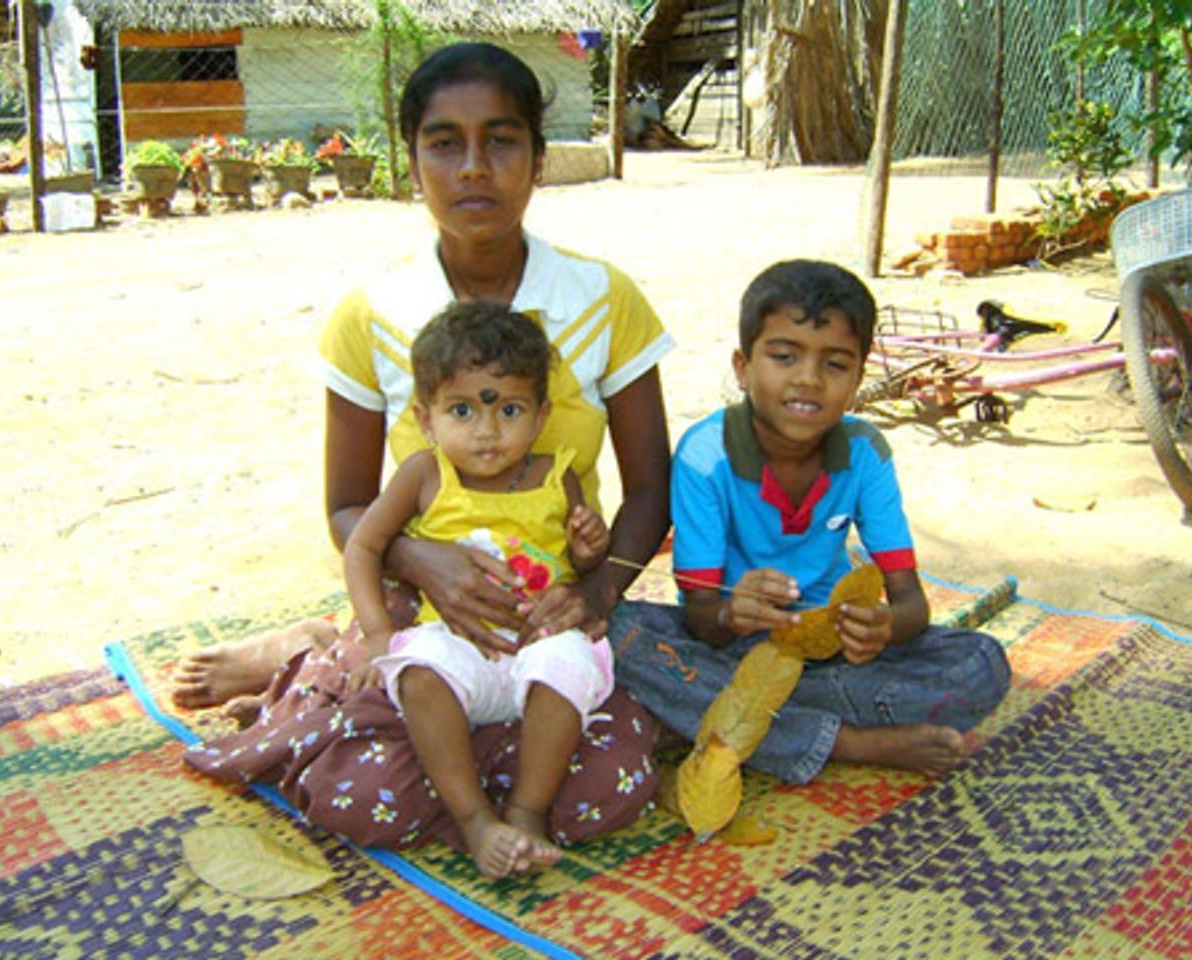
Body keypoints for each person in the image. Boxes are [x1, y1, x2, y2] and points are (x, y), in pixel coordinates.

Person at [181, 41, 670, 872]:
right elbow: (345, 507)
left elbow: (651, 489)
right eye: (444, 143)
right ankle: (312, 652)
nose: (474, 167)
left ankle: (474, 783)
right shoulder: (370, 314)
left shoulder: (604, 299)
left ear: (539, 161)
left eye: (502, 140)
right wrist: (422, 560)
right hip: (427, 616)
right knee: (353, 798)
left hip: (552, 614)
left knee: (605, 795)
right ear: (413, 164)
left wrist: (592, 593)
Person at [609, 260, 1011, 783]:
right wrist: (732, 612)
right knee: (616, 635)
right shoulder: (705, 456)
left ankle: (725, 719)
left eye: (835, 364)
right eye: (783, 356)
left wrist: (886, 629)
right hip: (732, 649)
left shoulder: (866, 453)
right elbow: (700, 621)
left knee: (983, 662)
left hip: (832, 657)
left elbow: (912, 603)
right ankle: (850, 742)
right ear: (743, 367)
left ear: (858, 378)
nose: (808, 379)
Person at [336, 300, 615, 876]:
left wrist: (589, 549)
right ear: (426, 417)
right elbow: (362, 547)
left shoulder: (555, 475)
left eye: (508, 409)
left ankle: (526, 813)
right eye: (461, 410)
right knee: (418, 674)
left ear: (540, 416)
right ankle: (474, 820)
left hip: (538, 646)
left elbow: (581, 570)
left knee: (568, 663)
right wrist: (378, 634)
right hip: (460, 646)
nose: (486, 430)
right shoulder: (424, 475)